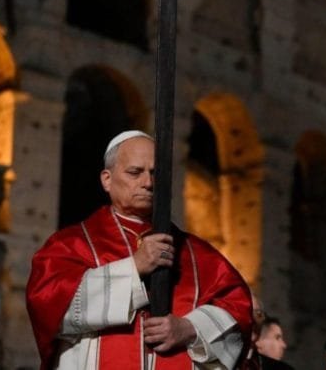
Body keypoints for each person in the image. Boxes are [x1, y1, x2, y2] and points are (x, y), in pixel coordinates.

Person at [26, 130, 253, 370]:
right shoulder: (70, 244)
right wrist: (134, 268)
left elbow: (239, 313)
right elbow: (49, 307)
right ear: (107, 179)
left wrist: (190, 329)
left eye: (155, 174)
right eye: (135, 172)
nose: (148, 183)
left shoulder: (198, 254)